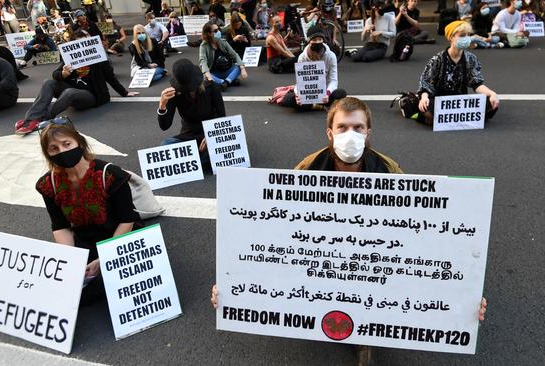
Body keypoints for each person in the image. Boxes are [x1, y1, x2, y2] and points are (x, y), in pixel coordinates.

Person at [211, 97, 489, 364]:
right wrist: (234, 283)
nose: (350, 134)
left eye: (358, 128)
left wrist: (460, 295)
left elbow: (421, 238)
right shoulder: (306, 170)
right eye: (342, 127)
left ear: (369, 133)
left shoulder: (390, 171)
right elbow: (274, 231)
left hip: (374, 262)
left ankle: (363, 323)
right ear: (329, 133)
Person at [35, 118, 141, 305]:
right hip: (84, 241)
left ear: (79, 143)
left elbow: (127, 220)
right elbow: (60, 226)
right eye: (54, 149)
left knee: (106, 289)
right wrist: (70, 260)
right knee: (57, 290)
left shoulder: (110, 175)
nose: (62, 151)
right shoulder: (48, 184)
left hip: (118, 238)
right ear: (48, 154)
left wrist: (104, 260)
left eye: (67, 144)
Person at [14, 29, 139, 135]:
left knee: (69, 92)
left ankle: (43, 119)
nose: (87, 42)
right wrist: (63, 74)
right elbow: (55, 74)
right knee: (49, 83)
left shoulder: (99, 58)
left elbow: (111, 78)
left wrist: (124, 92)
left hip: (92, 97)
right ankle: (30, 120)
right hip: (72, 93)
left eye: (88, 39)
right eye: (83, 41)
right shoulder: (70, 57)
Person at [417, 21, 500, 125]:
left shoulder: (471, 58)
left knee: (492, 102)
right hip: (440, 101)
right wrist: (424, 97)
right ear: (451, 38)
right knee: (426, 107)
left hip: (461, 102)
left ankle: (442, 120)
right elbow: (426, 83)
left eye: (468, 35)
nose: (466, 38)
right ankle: (462, 118)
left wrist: (492, 93)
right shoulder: (437, 59)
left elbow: (476, 83)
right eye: (462, 35)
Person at [157, 58, 226, 167]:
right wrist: (162, 105)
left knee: (226, 146)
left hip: (209, 132)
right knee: (165, 145)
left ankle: (190, 163)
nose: (190, 90)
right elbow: (165, 126)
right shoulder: (174, 93)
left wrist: (211, 136)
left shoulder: (211, 87)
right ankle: (199, 162)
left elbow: (222, 116)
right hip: (189, 134)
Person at [281, 26, 347, 111]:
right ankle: (318, 105)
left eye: (320, 39)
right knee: (287, 100)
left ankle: (312, 105)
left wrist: (327, 93)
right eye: (314, 40)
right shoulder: (302, 57)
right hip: (308, 93)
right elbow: (300, 82)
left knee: (341, 93)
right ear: (309, 41)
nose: (318, 42)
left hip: (325, 93)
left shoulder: (331, 56)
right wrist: (298, 95)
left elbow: (333, 80)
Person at [199, 21, 248, 91]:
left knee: (239, 66)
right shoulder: (204, 46)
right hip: (215, 73)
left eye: (218, 29)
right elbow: (203, 61)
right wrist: (208, 75)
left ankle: (225, 83)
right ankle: (228, 81)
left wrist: (243, 69)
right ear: (209, 33)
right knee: (205, 76)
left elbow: (234, 55)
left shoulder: (223, 42)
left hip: (227, 70)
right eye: (215, 31)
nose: (218, 32)